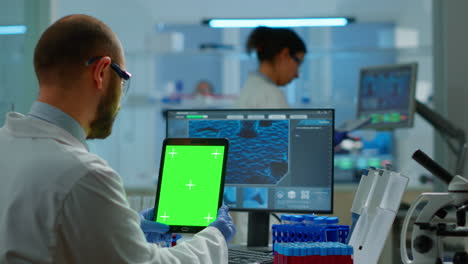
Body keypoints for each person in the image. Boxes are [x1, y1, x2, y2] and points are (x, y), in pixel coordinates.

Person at [0, 14, 235, 263]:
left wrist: (128, 226)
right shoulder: (84, 174)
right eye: (123, 79)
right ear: (101, 72)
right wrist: (215, 237)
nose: (121, 99)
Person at [235, 26, 306, 109]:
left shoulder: (250, 89)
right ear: (284, 55)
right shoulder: (270, 94)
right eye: (298, 63)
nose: (297, 74)